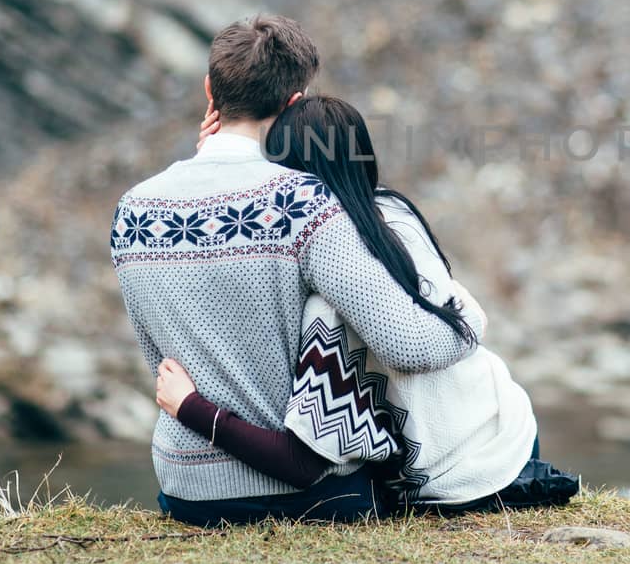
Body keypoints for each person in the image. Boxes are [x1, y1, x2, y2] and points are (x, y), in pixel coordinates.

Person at [111, 16, 475, 526]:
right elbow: (408, 345)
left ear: (209, 89)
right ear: (293, 104)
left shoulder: (134, 208)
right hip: (311, 495)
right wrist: (469, 322)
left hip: (187, 490)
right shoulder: (302, 204)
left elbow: (163, 359)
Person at [153, 94, 579, 513]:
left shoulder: (335, 300)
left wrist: (191, 408)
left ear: (291, 178)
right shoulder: (393, 213)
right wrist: (212, 160)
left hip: (468, 476)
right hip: (511, 422)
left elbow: (301, 464)